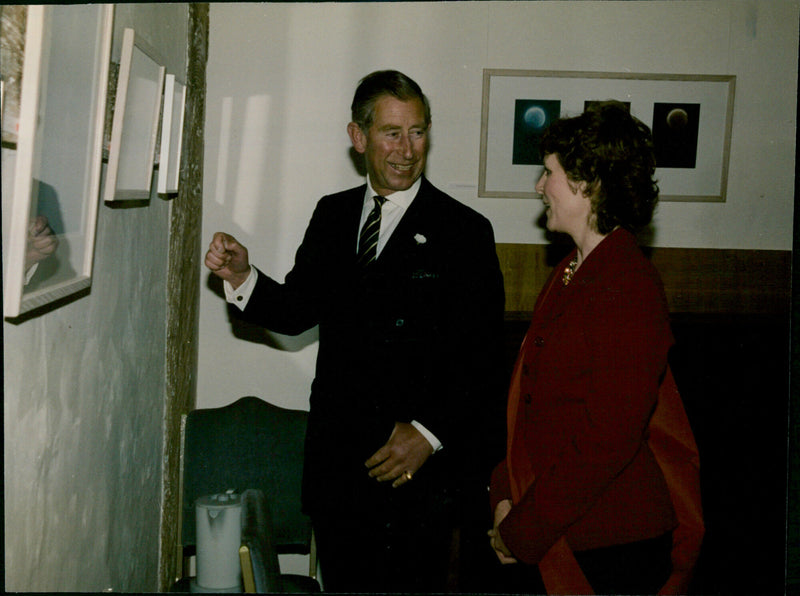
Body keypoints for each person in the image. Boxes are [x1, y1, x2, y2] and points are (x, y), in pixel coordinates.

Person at [205, 70, 507, 593]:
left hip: (419, 480)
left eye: (418, 131)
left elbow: (483, 360)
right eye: (392, 132)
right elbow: (297, 309)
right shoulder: (333, 214)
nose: (407, 150)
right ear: (358, 136)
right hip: (340, 471)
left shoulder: (465, 231)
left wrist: (430, 435)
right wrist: (242, 276)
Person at [488, 101, 702, 595]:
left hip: (610, 547)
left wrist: (522, 529)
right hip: (557, 528)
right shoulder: (571, 271)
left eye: (550, 173)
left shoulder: (627, 283)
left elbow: (608, 439)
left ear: (589, 183)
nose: (540, 187)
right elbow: (534, 408)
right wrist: (504, 495)